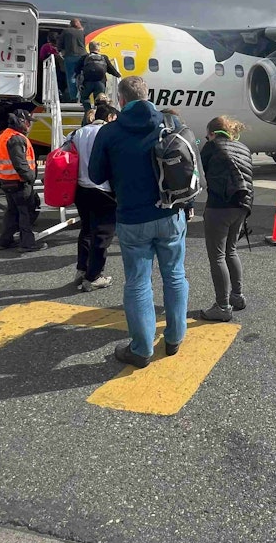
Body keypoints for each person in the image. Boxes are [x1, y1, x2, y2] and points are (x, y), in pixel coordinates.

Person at [89, 76, 188, 367]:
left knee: (138, 283)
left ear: (120, 100)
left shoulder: (110, 132)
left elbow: (95, 176)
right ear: (147, 95)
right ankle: (173, 339)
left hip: (132, 218)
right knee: (175, 275)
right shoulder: (171, 124)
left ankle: (142, 350)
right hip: (170, 213)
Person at [196, 116, 253, 321]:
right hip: (241, 205)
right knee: (231, 251)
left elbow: (199, 176)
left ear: (212, 133)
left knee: (217, 256)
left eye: (206, 135)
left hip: (219, 205)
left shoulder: (212, 147)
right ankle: (237, 296)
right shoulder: (243, 147)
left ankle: (222, 306)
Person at [63, 104, 118, 292]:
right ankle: (94, 276)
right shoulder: (108, 133)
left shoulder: (77, 133)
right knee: (103, 234)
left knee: (86, 229)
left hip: (81, 189)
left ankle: (81, 269)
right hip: (103, 190)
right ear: (110, 117)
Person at [0, 108, 47, 253]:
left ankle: (5, 241)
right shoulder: (16, 138)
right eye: (28, 122)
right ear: (21, 121)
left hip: (7, 181)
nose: (29, 126)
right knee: (26, 212)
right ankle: (27, 243)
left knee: (12, 212)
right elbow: (20, 163)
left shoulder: (5, 136)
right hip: (18, 182)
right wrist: (30, 178)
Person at [78, 47, 121, 113]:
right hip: (100, 83)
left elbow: (76, 69)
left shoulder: (85, 57)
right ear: (98, 49)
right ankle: (98, 115)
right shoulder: (104, 57)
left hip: (87, 82)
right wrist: (118, 75)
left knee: (84, 98)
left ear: (89, 49)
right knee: (100, 101)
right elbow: (111, 69)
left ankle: (88, 112)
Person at [57, 18, 87, 102]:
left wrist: (60, 50)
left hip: (70, 55)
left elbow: (60, 43)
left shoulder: (66, 31)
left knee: (71, 76)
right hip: (82, 55)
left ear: (70, 24)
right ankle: (82, 95)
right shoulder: (82, 32)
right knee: (81, 75)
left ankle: (74, 96)